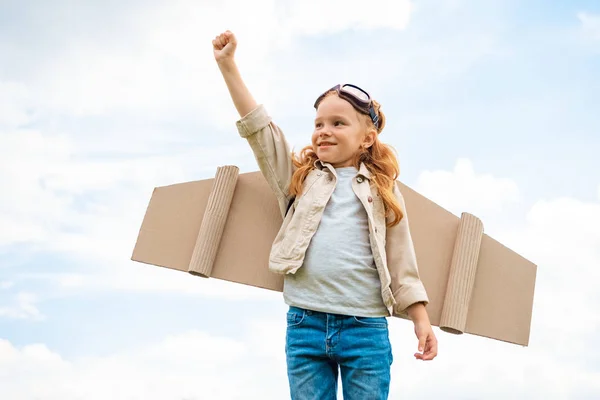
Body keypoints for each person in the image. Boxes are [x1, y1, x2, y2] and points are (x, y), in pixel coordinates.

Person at [213, 30, 438, 400]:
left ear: (367, 138)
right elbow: (261, 132)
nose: (324, 131)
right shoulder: (302, 178)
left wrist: (420, 318)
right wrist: (228, 66)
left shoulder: (383, 190)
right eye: (318, 124)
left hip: (365, 329)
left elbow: (402, 260)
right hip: (305, 323)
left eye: (338, 123)